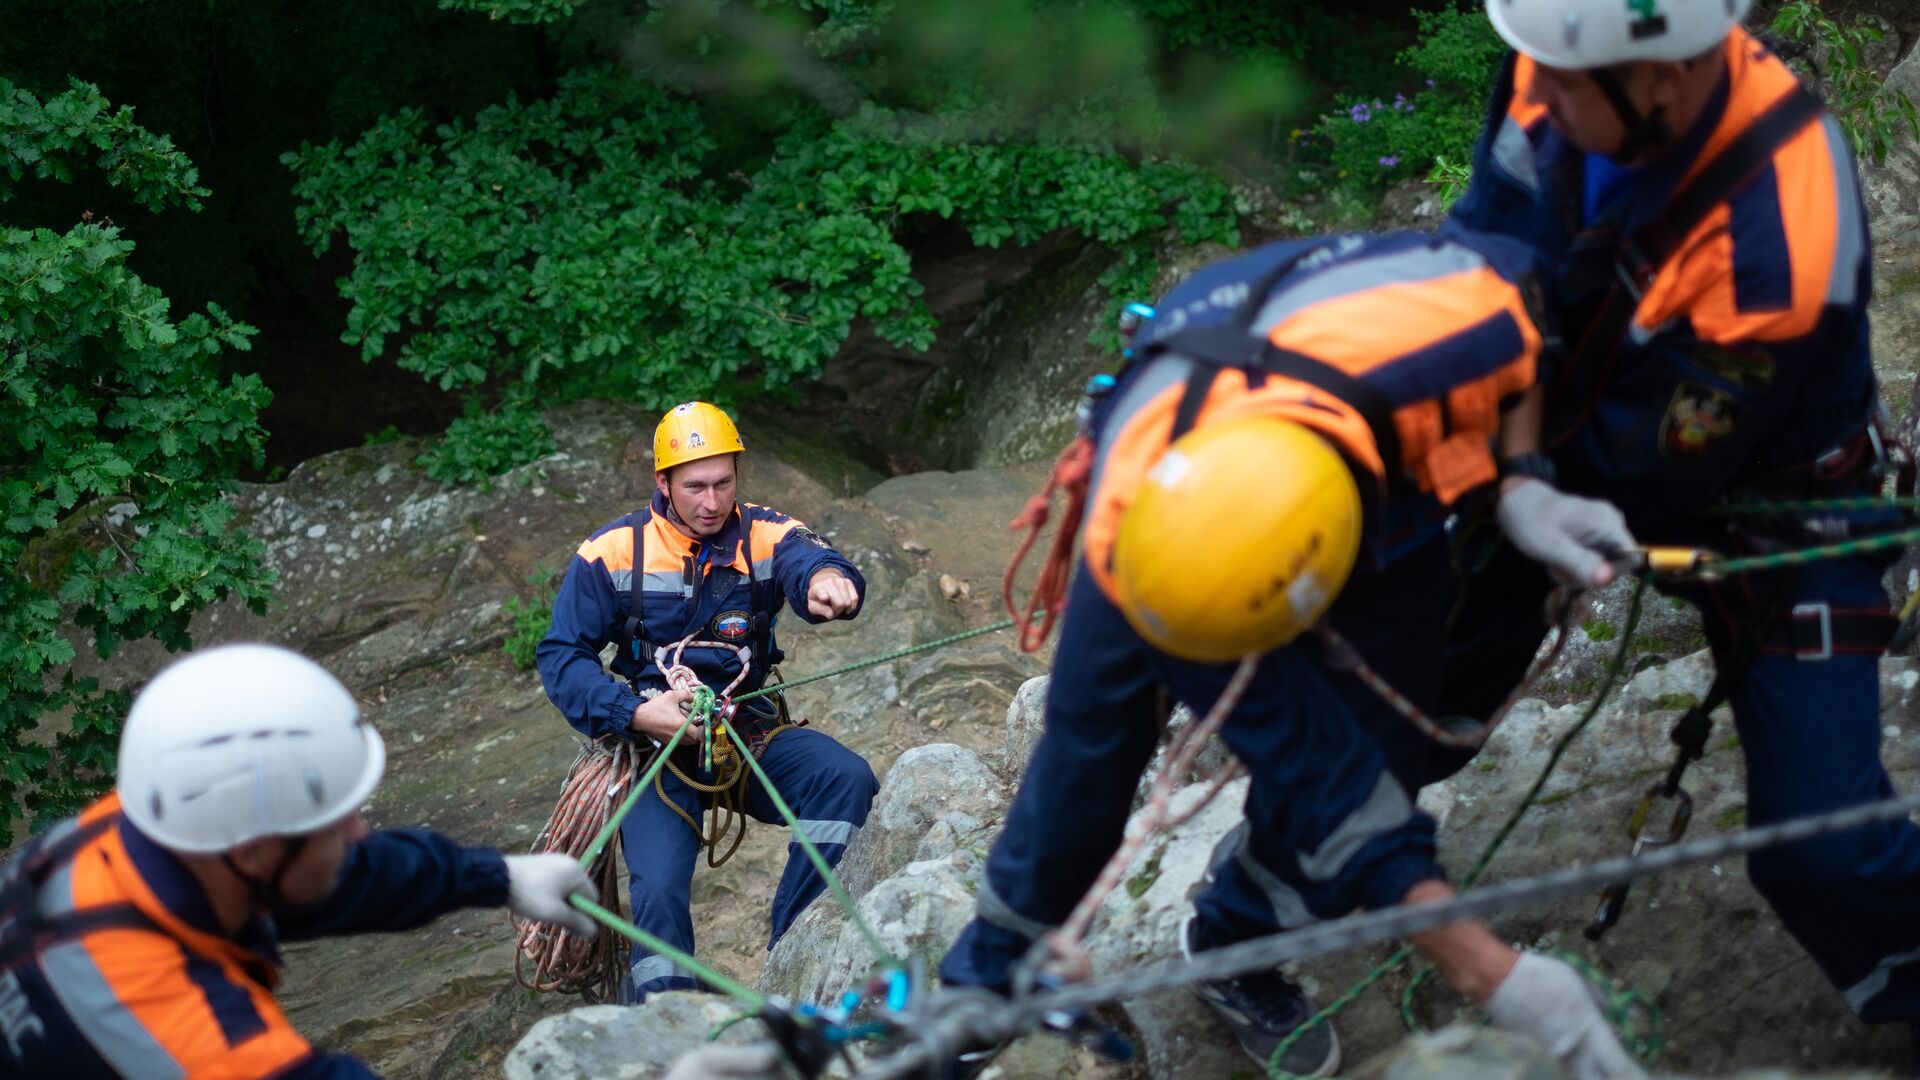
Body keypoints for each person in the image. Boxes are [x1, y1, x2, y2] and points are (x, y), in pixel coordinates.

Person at [937, 230, 1643, 1079]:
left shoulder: (1471, 325)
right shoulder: (1154, 546)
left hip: (1367, 468)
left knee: (1381, 751)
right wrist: (1490, 971)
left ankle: (1235, 938)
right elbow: (1325, 775)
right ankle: (972, 1003)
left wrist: (1523, 475)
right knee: (1083, 768)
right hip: (1181, 497)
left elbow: (1531, 326)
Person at [1441, 0, 1920, 1032]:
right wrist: (1509, 469)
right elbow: (1491, 259)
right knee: (1411, 697)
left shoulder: (1787, 226)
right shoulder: (1558, 69)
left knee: (1820, 843)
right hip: (1549, 424)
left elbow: (1664, 465)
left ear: (1662, 75)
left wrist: (1530, 485)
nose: (1539, 99)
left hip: (1781, 506)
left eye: (1566, 87)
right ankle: (1250, 914)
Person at [0, 643, 599, 1078]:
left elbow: (338, 877)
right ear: (256, 852)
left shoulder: (136, 827)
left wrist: (498, 876)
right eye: (334, 823)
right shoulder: (201, 1045)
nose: (359, 829)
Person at [536, 401, 878, 1005]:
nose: (711, 502)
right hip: (653, 748)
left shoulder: (763, 533)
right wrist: (635, 712)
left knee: (844, 780)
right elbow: (562, 656)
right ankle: (663, 1026)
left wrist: (828, 577)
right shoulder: (612, 552)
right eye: (694, 486)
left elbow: (806, 554)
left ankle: (794, 958)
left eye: (724, 483)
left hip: (748, 730)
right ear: (663, 482)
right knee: (660, 892)